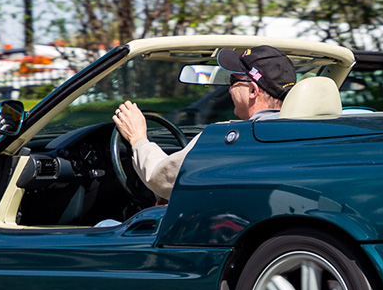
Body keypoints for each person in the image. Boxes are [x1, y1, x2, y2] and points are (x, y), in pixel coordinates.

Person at [111, 44, 298, 202]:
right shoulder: (304, 136)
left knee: (107, 225)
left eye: (233, 80)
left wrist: (137, 138)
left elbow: (160, 179)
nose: (229, 89)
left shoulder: (228, 139)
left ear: (252, 91)